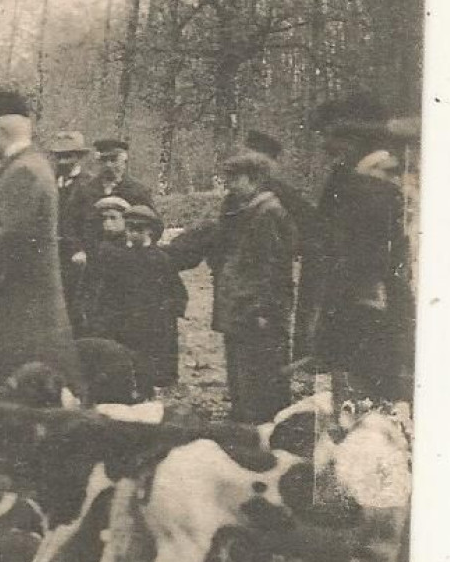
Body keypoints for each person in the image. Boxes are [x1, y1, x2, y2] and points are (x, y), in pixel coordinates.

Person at [0, 91, 78, 389]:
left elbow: (10, 241)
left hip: (13, 314)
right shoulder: (28, 167)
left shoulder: (24, 171)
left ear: (1, 129)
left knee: (10, 395)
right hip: (16, 310)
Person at [297, 94, 414, 403]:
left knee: (366, 407)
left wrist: (329, 340)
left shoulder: (369, 188)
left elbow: (359, 266)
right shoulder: (357, 180)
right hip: (361, 318)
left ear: (354, 138)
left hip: (365, 323)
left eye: (329, 135)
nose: (324, 145)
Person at [168, 151, 297, 423]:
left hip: (257, 311)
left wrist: (264, 310)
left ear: (255, 179)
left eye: (235, 178)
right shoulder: (241, 210)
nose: (229, 184)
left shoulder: (268, 213)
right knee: (241, 373)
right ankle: (245, 423)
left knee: (260, 374)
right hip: (239, 307)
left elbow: (272, 268)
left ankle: (263, 427)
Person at [118, 203, 187, 392]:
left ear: (150, 232)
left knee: (161, 351)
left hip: (158, 317)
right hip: (131, 314)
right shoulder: (124, 258)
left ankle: (163, 380)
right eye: (130, 229)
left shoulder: (161, 259)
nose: (133, 234)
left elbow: (177, 289)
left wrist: (171, 309)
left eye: (138, 229)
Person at [48, 130, 97, 334]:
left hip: (77, 257)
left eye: (68, 156)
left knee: (75, 306)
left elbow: (90, 223)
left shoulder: (89, 184)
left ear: (79, 157)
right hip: (51, 254)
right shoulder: (49, 181)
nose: (63, 161)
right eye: (59, 156)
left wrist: (81, 249)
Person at [78, 195, 134, 342]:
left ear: (125, 220)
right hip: (100, 316)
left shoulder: (131, 249)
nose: (107, 223)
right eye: (104, 219)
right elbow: (89, 283)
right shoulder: (99, 248)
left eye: (113, 218)